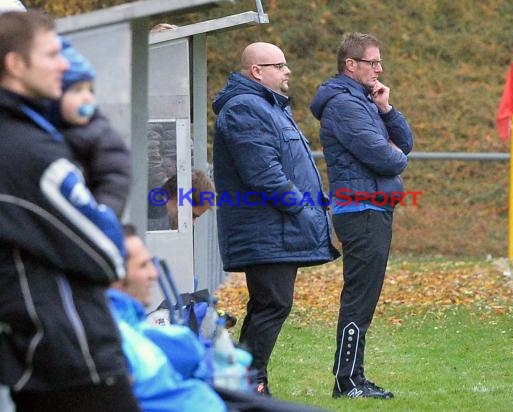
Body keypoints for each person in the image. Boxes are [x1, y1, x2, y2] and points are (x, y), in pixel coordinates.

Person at [0, 10, 140, 412]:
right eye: (50, 54)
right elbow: (109, 255)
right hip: (72, 360)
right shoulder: (31, 154)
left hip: (33, 356)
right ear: (15, 64)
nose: (63, 63)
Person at [212, 42, 340, 395]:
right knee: (272, 304)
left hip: (276, 227)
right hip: (266, 228)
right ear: (257, 71)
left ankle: (248, 381)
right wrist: (301, 209)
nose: (288, 72)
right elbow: (264, 174)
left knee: (269, 304)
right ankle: (248, 383)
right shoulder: (245, 109)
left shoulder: (266, 106)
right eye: (280, 65)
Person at [113, 224, 327, 412]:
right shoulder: (110, 335)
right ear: (114, 274)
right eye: (142, 266)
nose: (154, 273)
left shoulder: (133, 322)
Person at [310, 32, 414, 399]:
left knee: (364, 298)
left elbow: (405, 143)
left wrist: (386, 109)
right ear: (350, 65)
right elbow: (388, 156)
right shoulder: (344, 105)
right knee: (359, 298)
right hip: (362, 209)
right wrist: (394, 153)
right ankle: (347, 381)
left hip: (372, 207)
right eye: (373, 62)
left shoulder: (365, 101)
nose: (380, 69)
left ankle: (352, 377)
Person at [49, 37, 131, 217]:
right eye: (77, 91)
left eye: (89, 90)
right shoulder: (44, 130)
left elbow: (115, 177)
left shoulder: (101, 133)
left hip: (93, 211)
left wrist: (103, 211)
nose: (87, 98)